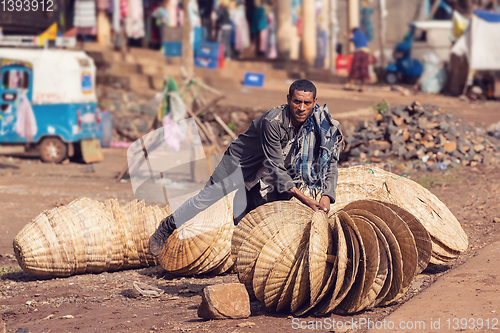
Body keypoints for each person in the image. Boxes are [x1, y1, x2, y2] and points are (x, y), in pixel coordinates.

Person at [149, 79, 343, 256]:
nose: (301, 108)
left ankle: (246, 264)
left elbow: (331, 163)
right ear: (288, 99)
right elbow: (276, 166)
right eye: (296, 102)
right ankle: (166, 227)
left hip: (271, 175)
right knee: (206, 198)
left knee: (261, 219)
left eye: (307, 103)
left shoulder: (322, 126)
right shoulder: (273, 121)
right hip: (242, 164)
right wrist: (305, 199)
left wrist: (326, 196)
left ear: (315, 101)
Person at [345, 28, 370, 92]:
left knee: (354, 69)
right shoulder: (363, 35)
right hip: (366, 53)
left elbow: (354, 40)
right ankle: (361, 87)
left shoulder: (356, 34)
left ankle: (351, 86)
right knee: (363, 69)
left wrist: (346, 36)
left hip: (359, 54)